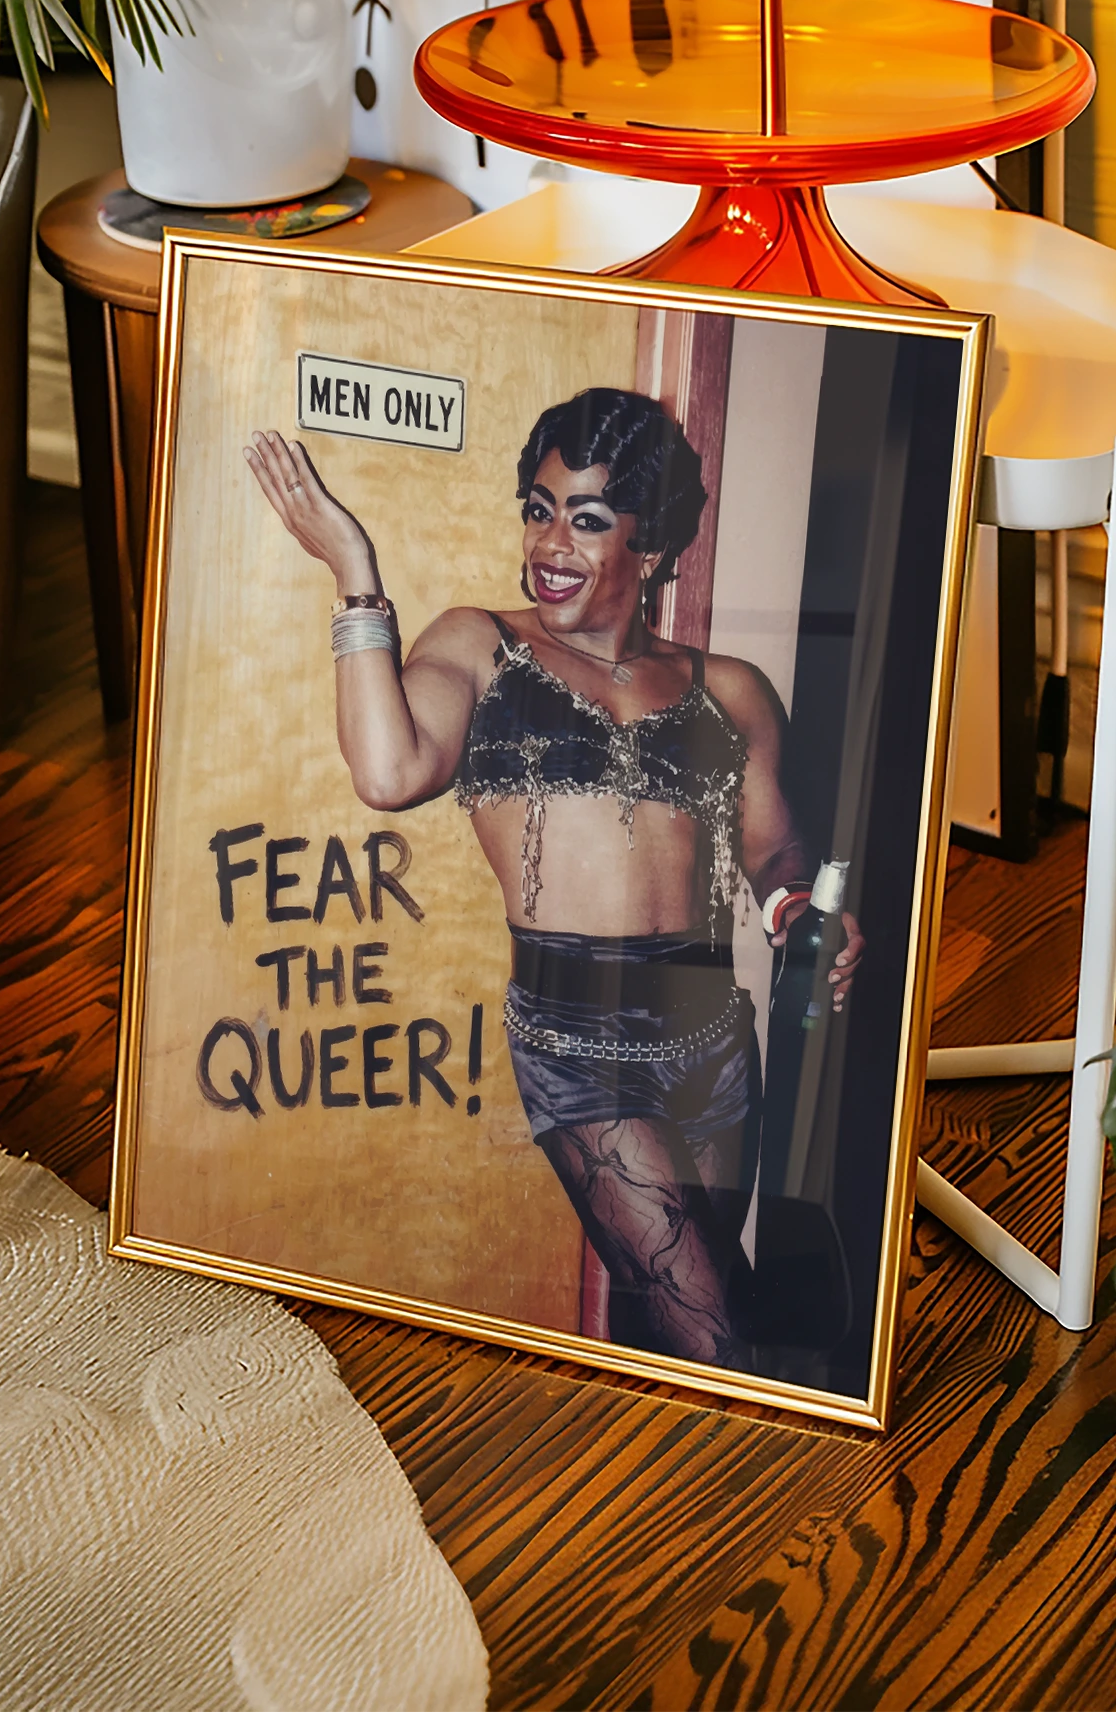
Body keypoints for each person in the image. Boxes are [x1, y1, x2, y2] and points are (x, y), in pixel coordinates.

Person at [245, 387, 862, 1369]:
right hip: (576, 1043)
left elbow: (774, 852)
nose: (550, 542)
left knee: (663, 1302)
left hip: (712, 1034)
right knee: (717, 1327)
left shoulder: (730, 686)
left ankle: (643, 1475)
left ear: (650, 544)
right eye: (538, 508)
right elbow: (388, 770)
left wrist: (799, 914)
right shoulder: (480, 643)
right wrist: (355, 574)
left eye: (585, 518)